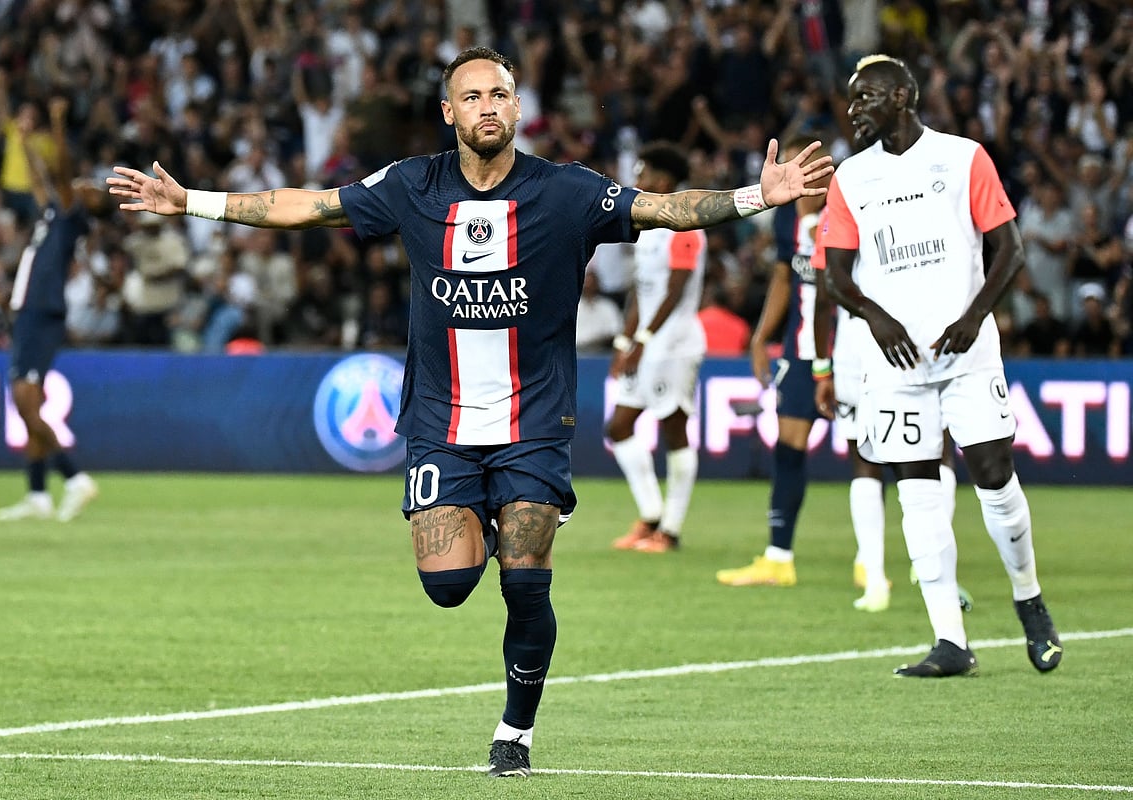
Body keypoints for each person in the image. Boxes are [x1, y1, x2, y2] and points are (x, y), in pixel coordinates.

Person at [109, 46, 832, 775]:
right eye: (473, 96)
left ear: (517, 107)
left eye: (500, 94)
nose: (488, 106)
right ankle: (487, 515)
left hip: (533, 420)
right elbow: (309, 206)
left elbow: (664, 208)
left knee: (524, 575)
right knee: (449, 585)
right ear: (449, 112)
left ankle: (516, 730)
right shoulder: (412, 185)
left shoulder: (566, 190)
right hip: (441, 422)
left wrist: (757, 196)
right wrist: (191, 200)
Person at [815, 54, 1062, 677]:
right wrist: (873, 315)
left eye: (866, 98)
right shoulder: (850, 178)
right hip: (894, 364)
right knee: (918, 491)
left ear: (902, 96)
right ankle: (950, 640)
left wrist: (976, 315)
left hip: (966, 353)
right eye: (851, 100)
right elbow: (834, 275)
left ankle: (1029, 598)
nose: (853, 110)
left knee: (993, 474)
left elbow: (1009, 248)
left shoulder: (962, 158)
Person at [812, 206, 966, 613]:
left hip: (856, 342)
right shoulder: (922, 202)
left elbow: (824, 294)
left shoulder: (839, 207)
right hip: (918, 333)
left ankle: (875, 579)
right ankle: (933, 558)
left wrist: (822, 367)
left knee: (864, 460)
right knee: (937, 450)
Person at [715, 136, 829, 587]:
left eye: (808, 166)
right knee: (788, 446)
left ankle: (874, 564)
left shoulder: (852, 207)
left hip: (852, 347)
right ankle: (779, 557)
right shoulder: (786, 212)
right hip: (801, 349)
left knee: (873, 452)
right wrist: (762, 336)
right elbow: (785, 275)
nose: (798, 174)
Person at [0, 96, 105, 522]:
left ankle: (74, 478)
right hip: (32, 311)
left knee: (24, 402)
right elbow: (39, 178)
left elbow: (58, 170)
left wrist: (58, 122)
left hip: (41, 311)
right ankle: (38, 495)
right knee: (29, 405)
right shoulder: (52, 214)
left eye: (90, 188)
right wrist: (24, 142)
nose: (83, 184)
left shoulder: (72, 216)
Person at [607, 142, 707, 554]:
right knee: (618, 427)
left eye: (643, 173)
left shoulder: (686, 225)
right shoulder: (647, 226)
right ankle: (651, 516)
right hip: (646, 345)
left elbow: (675, 289)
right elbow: (641, 291)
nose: (637, 180)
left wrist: (643, 342)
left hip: (674, 345)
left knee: (674, 432)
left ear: (663, 181)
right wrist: (624, 342)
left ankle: (670, 529)